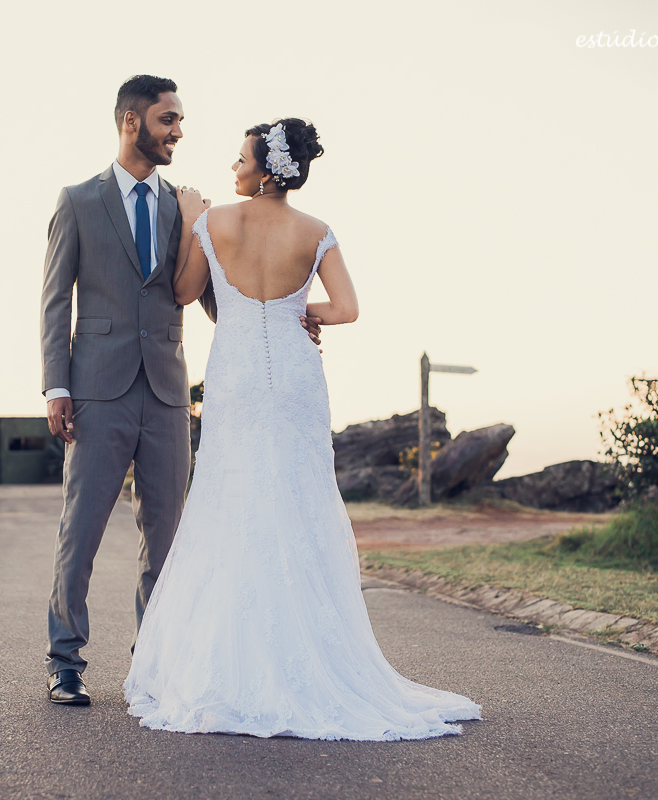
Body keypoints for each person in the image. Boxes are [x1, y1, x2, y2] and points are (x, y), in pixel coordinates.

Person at [123, 119, 482, 739]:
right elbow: (346, 309)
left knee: (229, 502)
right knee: (298, 500)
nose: (231, 169)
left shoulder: (212, 221)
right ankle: (313, 652)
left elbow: (184, 292)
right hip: (293, 377)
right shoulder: (316, 231)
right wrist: (298, 311)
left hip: (234, 378)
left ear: (264, 171)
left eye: (239, 161)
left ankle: (228, 661)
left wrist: (186, 220)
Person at [39, 78, 324, 705]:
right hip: (96, 393)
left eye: (180, 121)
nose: (178, 132)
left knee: (167, 537)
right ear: (130, 121)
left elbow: (225, 299)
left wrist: (290, 312)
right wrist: (57, 385)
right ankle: (65, 663)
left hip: (169, 395)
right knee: (80, 530)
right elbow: (56, 299)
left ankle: (157, 662)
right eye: (168, 119)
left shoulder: (189, 210)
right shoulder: (78, 201)